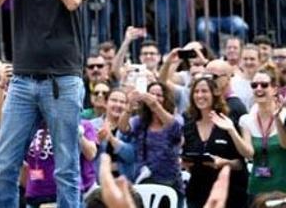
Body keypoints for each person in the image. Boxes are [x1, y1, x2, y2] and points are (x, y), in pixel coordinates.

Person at [0, 0, 87, 208]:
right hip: (22, 80)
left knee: (66, 167)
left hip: (62, 79)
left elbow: (73, 0)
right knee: (5, 163)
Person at [182, 77, 252, 208]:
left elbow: (241, 163)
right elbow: (187, 159)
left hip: (230, 192)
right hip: (198, 193)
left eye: (204, 91)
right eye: (196, 92)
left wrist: (224, 162)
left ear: (214, 94)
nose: (199, 95)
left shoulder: (227, 122)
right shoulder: (188, 127)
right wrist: (186, 163)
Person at [119, 82, 183, 196]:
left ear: (166, 98)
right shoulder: (140, 121)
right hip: (144, 181)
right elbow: (123, 128)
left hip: (169, 182)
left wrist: (155, 105)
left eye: (159, 95)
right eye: (151, 94)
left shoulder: (174, 118)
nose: (154, 98)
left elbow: (175, 128)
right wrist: (129, 106)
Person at [239, 69, 286, 196]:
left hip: (283, 190)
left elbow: (284, 144)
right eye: (254, 85)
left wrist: (277, 119)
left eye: (264, 85)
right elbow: (249, 154)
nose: (258, 89)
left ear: (275, 89)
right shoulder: (246, 120)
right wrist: (231, 131)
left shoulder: (284, 115)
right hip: (257, 190)